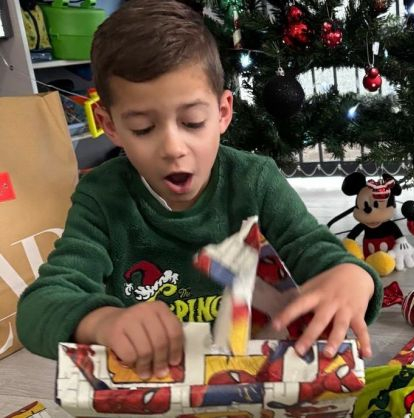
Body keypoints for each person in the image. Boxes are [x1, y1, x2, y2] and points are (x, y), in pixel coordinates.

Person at [16, 0, 382, 381]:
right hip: (155, 388)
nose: (173, 148)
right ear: (110, 126)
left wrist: (352, 276)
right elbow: (40, 306)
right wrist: (101, 321)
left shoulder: (254, 179)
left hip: (255, 383)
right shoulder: (101, 197)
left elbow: (313, 249)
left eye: (192, 122)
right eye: (142, 128)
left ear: (223, 113)